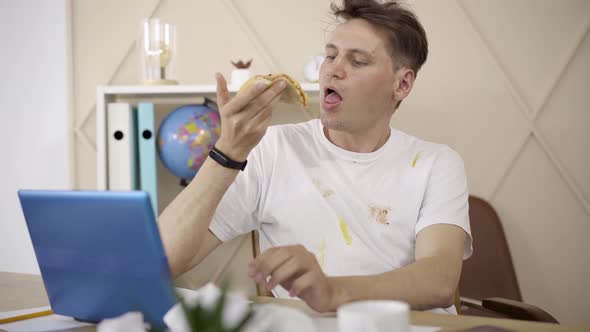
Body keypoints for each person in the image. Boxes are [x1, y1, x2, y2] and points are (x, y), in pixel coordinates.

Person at [158, 0, 472, 314]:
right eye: (331, 55)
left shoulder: (437, 163)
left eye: (358, 61)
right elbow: (161, 261)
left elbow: (439, 280)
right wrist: (227, 153)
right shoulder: (274, 148)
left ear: (402, 84)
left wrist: (333, 291)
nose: (333, 69)